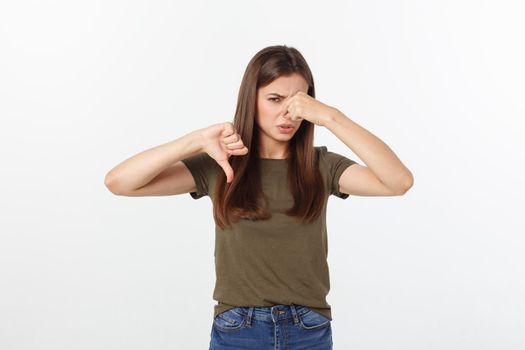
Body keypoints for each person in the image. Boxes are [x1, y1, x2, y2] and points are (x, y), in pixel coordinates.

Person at [104, 45, 414, 350]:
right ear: (251, 99)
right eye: (275, 99)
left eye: (299, 102)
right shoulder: (221, 164)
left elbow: (398, 182)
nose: (288, 113)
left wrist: (331, 118)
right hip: (239, 328)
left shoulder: (321, 166)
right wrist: (196, 141)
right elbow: (119, 182)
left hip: (309, 328)